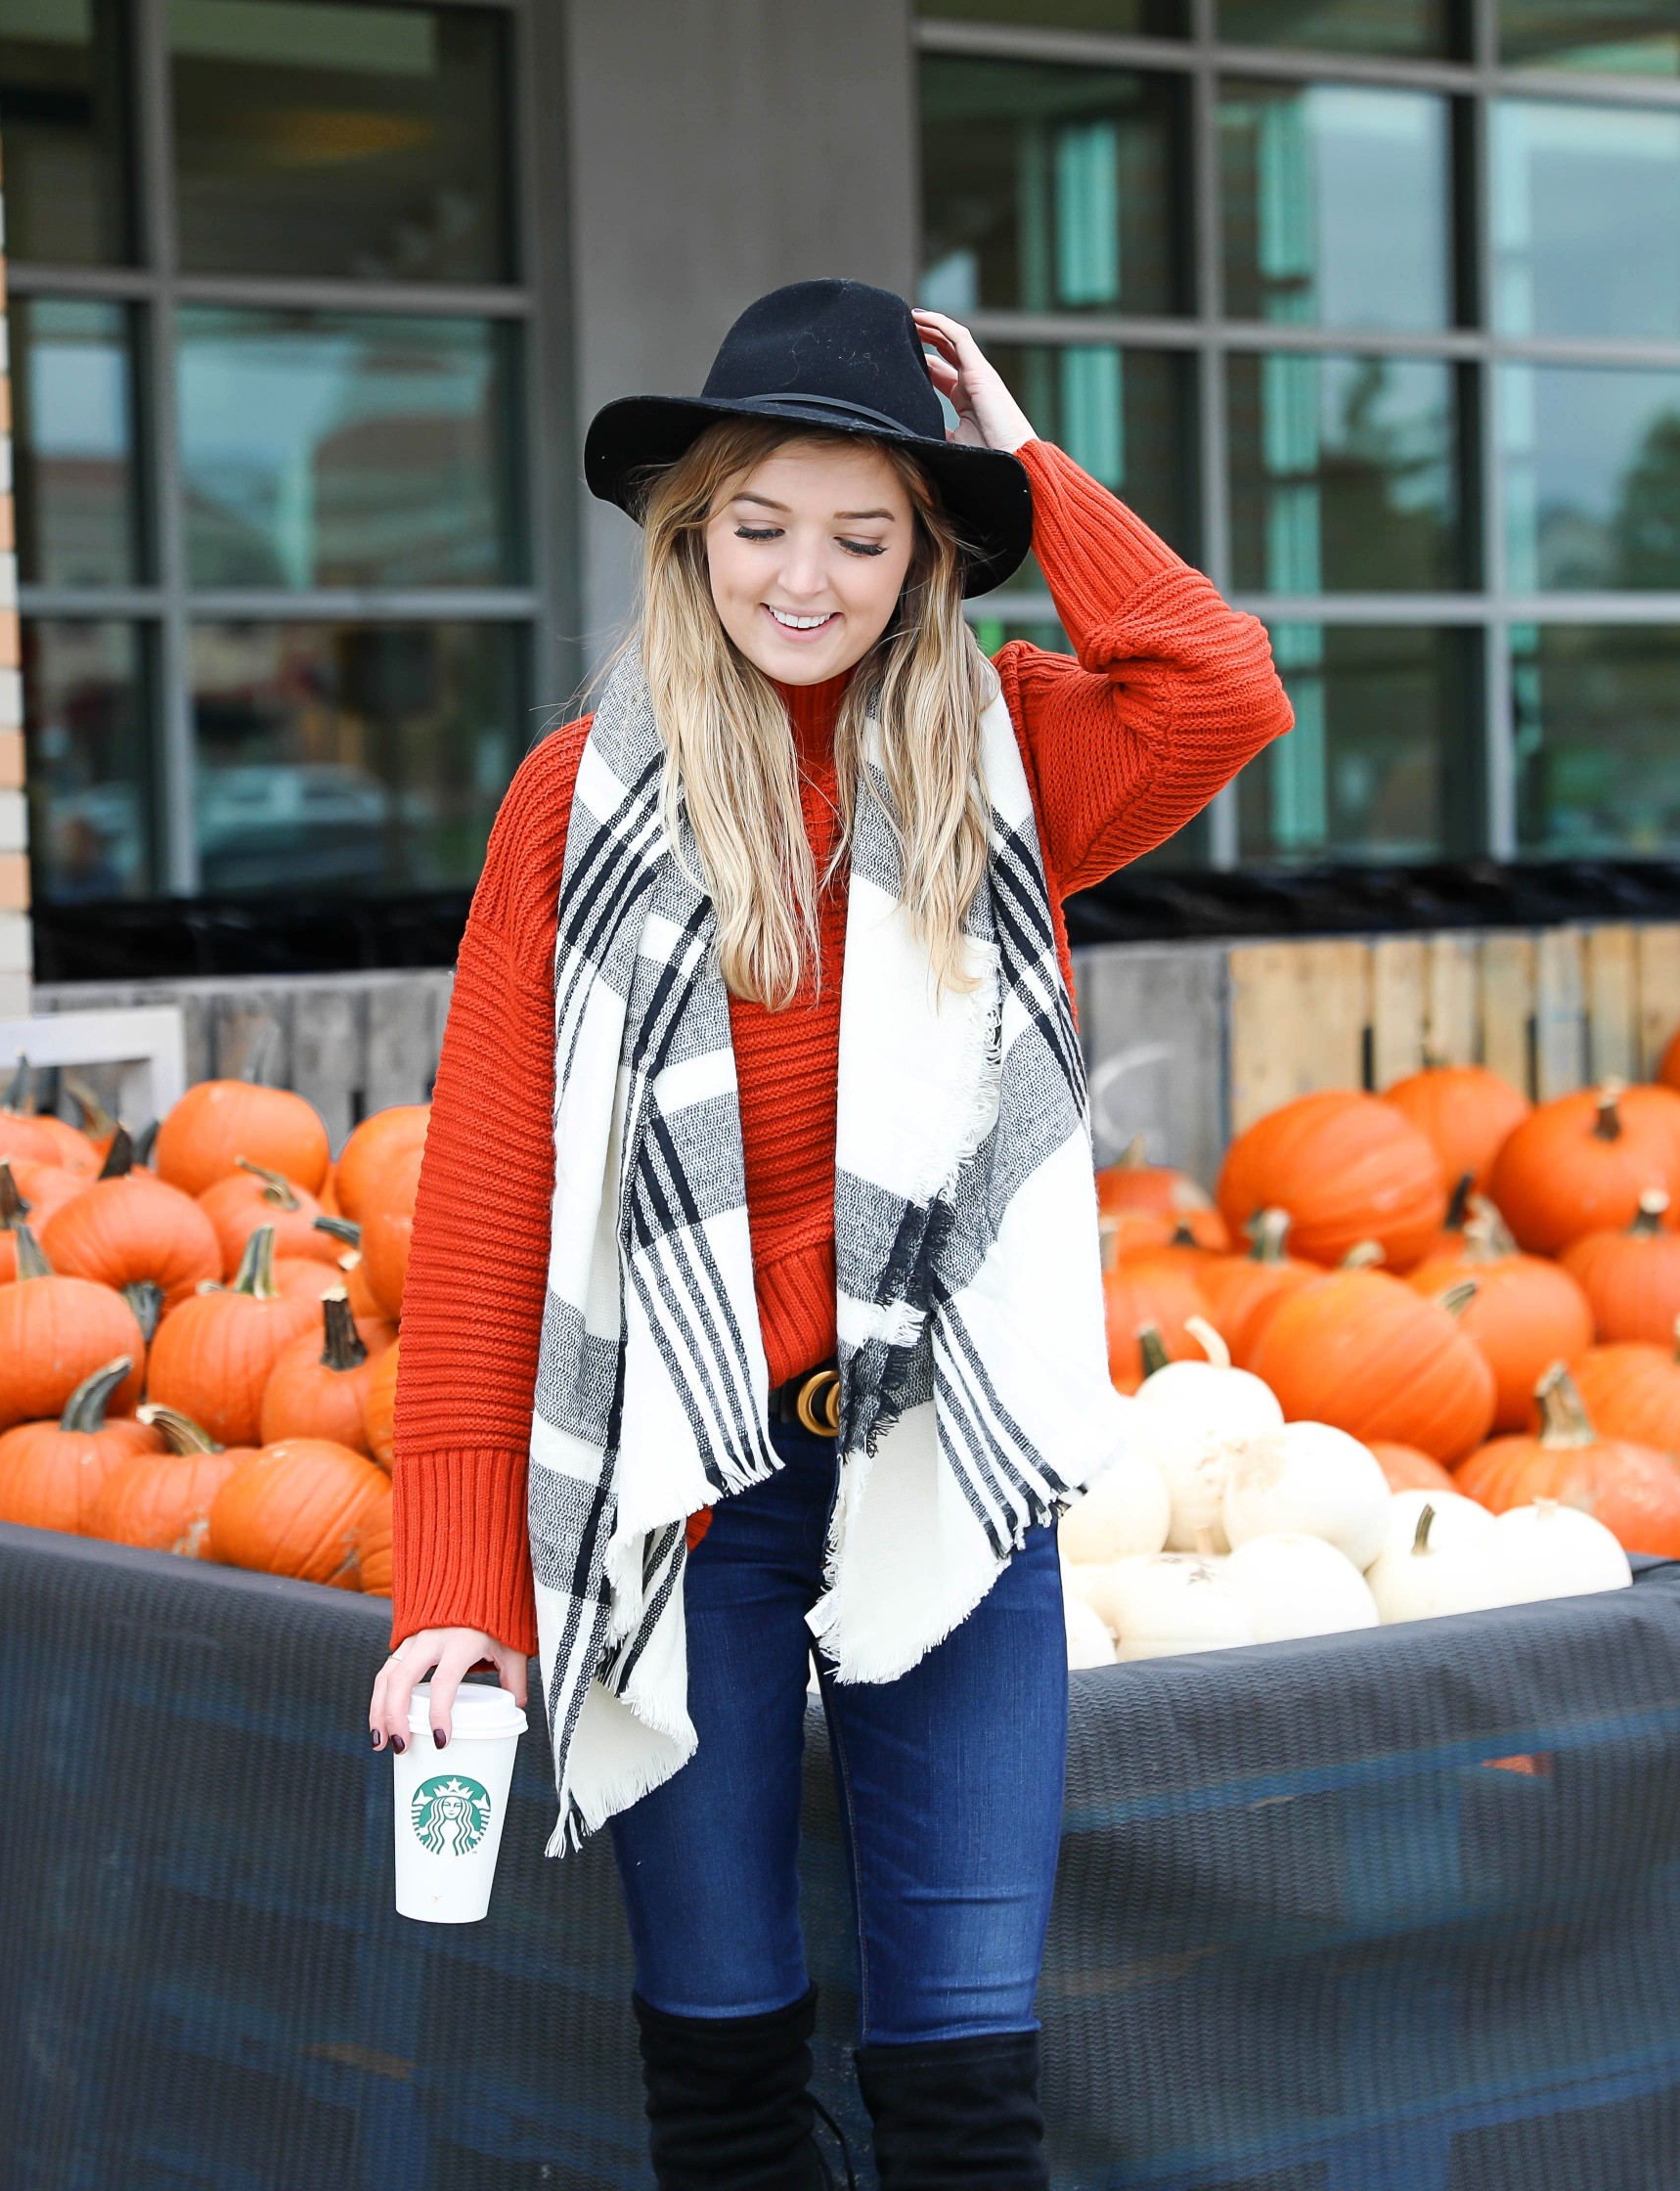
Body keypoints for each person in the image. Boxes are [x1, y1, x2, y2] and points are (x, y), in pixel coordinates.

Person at [367, 278, 1291, 2189]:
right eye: (761, 526)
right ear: (691, 531)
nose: (807, 577)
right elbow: (488, 1203)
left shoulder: (1009, 756)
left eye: (866, 534)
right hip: (678, 1493)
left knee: (963, 2095)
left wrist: (1026, 458)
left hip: (942, 1464)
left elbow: (1218, 687)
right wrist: (456, 1582)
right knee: (723, 2083)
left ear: (926, 554)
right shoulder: (576, 803)